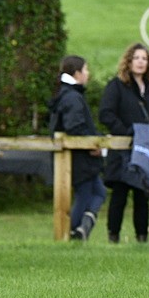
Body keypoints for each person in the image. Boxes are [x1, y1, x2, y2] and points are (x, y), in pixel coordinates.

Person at [99, 42, 149, 243]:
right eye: (136, 58)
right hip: (123, 150)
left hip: (145, 150)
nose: (140, 62)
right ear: (128, 61)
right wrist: (128, 132)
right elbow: (106, 114)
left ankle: (142, 238)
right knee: (119, 194)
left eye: (144, 58)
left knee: (141, 195)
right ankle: (113, 236)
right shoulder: (117, 86)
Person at [48, 55, 106, 241]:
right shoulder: (72, 97)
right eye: (86, 70)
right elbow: (75, 127)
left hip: (79, 156)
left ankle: (82, 226)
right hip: (79, 156)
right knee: (86, 193)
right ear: (77, 73)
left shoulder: (68, 94)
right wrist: (92, 144)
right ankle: (73, 230)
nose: (88, 74)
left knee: (98, 192)